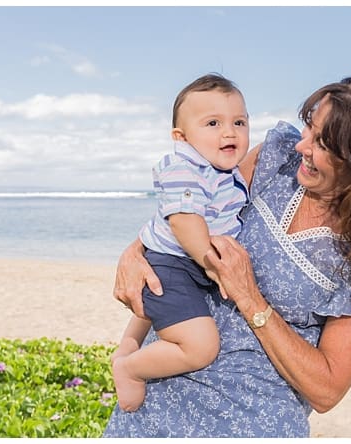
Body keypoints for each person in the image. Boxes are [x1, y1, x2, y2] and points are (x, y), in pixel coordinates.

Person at [104, 74, 351, 437]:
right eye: (309, 127)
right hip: (153, 406)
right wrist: (135, 251)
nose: (303, 145)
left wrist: (250, 298)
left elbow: (327, 389)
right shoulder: (276, 160)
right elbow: (192, 208)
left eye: (322, 143)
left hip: (250, 423)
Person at [110, 74, 250, 412]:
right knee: (201, 347)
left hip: (182, 261)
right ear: (181, 138)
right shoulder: (183, 167)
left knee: (156, 302)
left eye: (239, 122)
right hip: (174, 262)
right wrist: (211, 263)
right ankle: (130, 368)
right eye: (213, 123)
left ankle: (128, 345)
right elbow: (185, 222)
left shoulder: (225, 171)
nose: (229, 132)